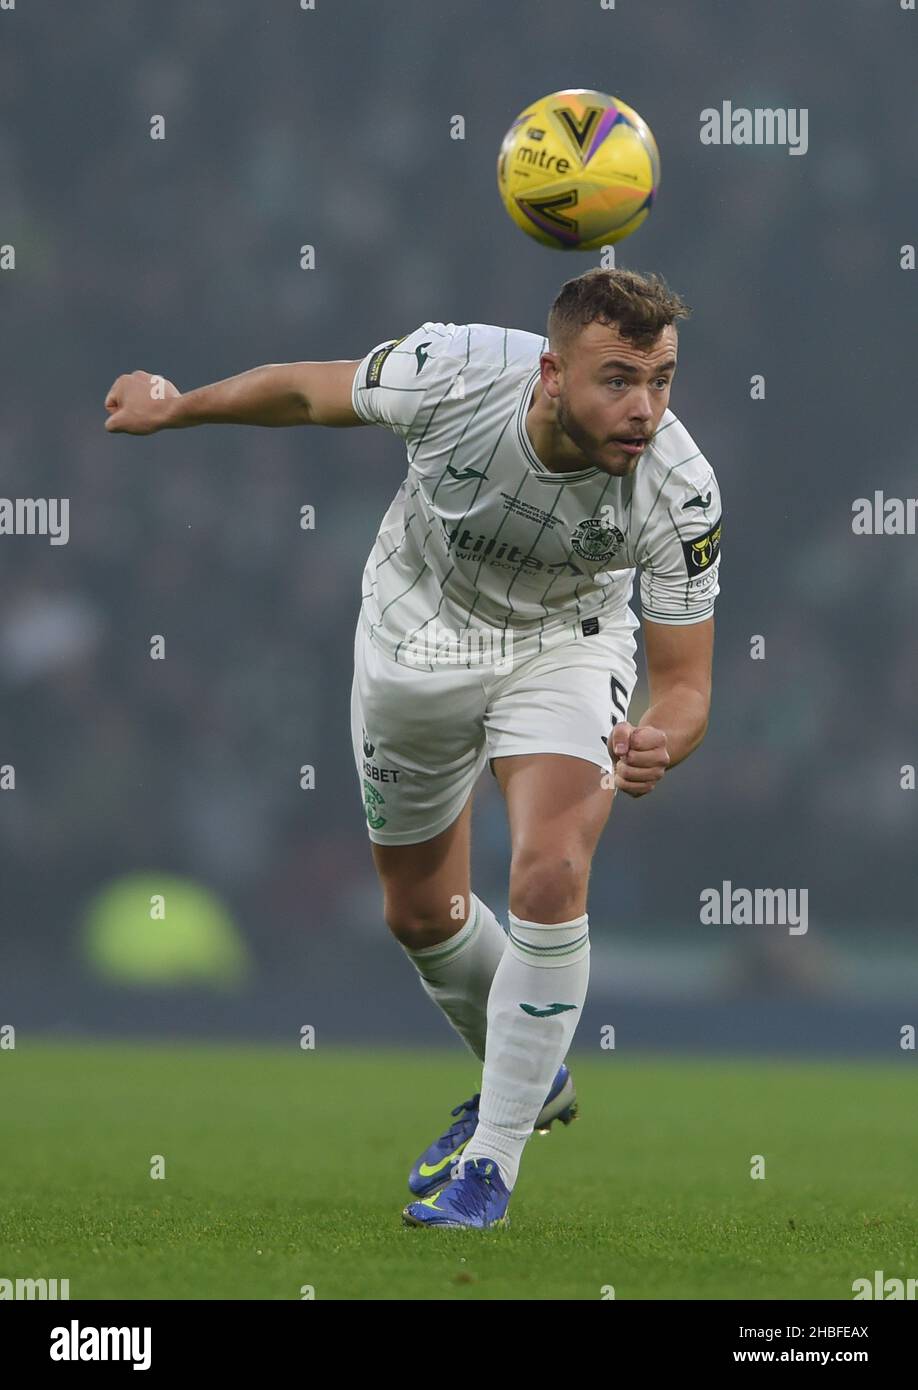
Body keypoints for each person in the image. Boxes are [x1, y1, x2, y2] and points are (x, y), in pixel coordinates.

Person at [105, 267, 722, 1230]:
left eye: (662, 381)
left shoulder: (680, 490)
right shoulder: (458, 371)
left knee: (552, 873)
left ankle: (492, 1162)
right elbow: (310, 391)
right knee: (421, 916)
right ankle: (531, 1077)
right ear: (553, 373)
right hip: (414, 638)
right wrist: (179, 407)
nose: (644, 409)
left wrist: (661, 742)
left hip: (565, 648)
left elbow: (686, 686)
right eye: (618, 381)